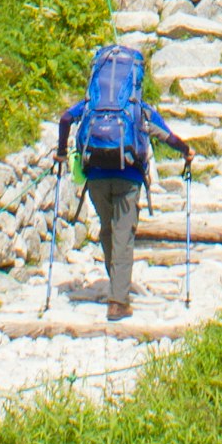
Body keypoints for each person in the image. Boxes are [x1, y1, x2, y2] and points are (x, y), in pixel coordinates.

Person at [55, 43, 194, 321]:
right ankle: (118, 301)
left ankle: (116, 284)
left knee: (107, 231)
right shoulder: (138, 108)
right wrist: (187, 151)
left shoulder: (91, 105)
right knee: (123, 235)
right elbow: (168, 137)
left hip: (95, 175)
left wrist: (61, 152)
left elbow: (65, 118)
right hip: (128, 176)